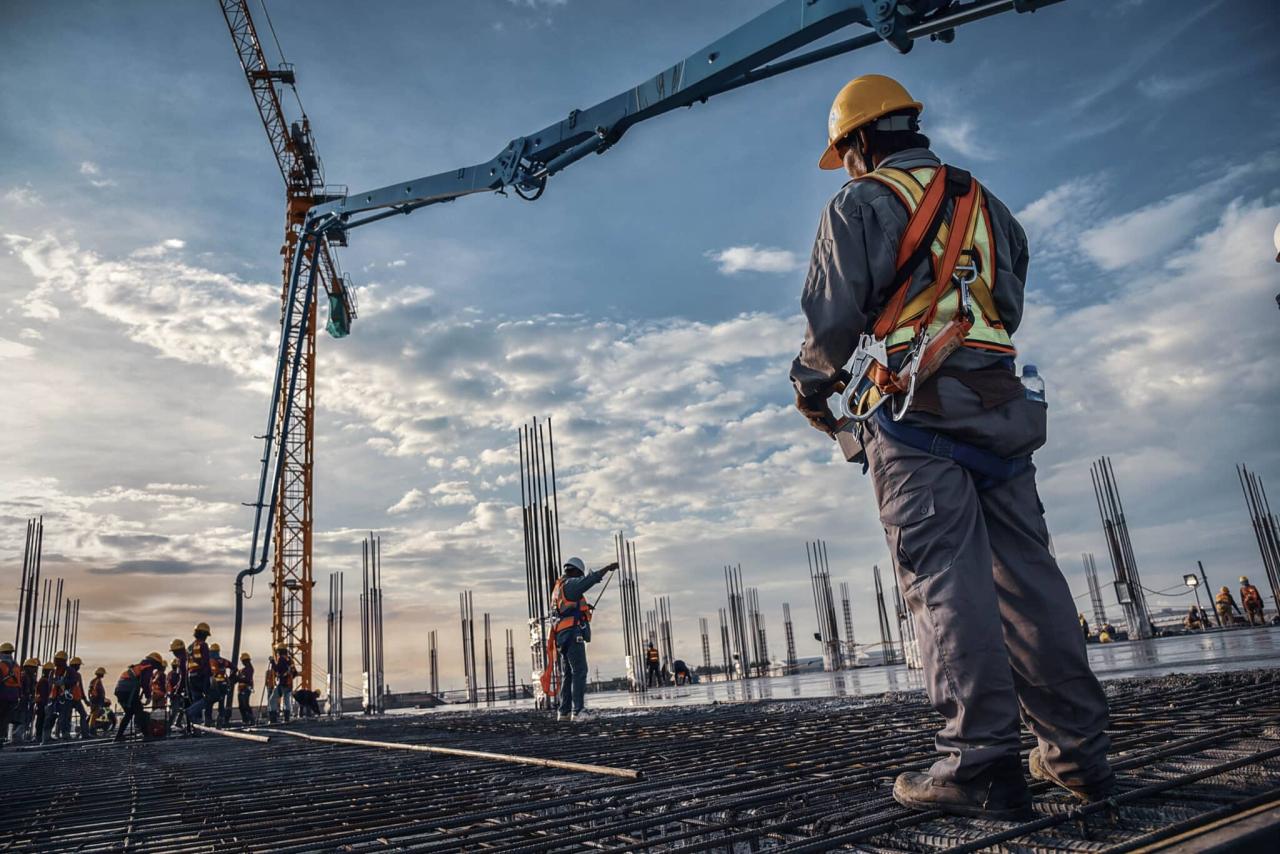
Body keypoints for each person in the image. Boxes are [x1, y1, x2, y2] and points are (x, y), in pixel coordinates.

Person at [790, 75, 1113, 818]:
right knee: (1030, 582)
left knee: (944, 583)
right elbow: (1010, 305)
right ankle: (1081, 758)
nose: (845, 167)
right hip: (999, 405)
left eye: (844, 153)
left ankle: (981, 766)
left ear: (861, 140)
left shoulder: (861, 203)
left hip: (915, 414)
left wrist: (809, 387)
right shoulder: (990, 207)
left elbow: (833, 320)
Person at [550, 557, 617, 722]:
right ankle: (578, 711)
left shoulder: (558, 588)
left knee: (568, 674)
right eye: (579, 574)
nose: (579, 578)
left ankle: (564, 712)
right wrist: (607, 567)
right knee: (580, 671)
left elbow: (566, 609)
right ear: (574, 571)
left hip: (561, 636)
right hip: (572, 634)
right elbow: (589, 581)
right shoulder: (571, 584)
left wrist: (583, 610)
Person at [114, 652, 164, 742]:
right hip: (127, 691)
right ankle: (147, 735)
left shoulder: (140, 666)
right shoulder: (148, 666)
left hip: (120, 690)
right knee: (139, 711)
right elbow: (145, 683)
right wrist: (148, 696)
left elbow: (139, 683)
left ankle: (119, 736)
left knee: (129, 714)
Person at [185, 623, 214, 726]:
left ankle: (197, 726)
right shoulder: (203, 645)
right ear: (203, 634)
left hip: (191, 676)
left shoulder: (190, 647)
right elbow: (205, 663)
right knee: (210, 697)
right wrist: (209, 677)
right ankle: (190, 711)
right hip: (201, 675)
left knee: (197, 699)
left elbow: (187, 664)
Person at [268, 643, 296, 724]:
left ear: (279, 651)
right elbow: (295, 673)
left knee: (272, 700)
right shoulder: (290, 659)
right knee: (286, 701)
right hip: (289, 684)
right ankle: (287, 719)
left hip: (282, 684)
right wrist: (288, 677)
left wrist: (272, 661)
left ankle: (273, 719)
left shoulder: (281, 659)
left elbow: (277, 669)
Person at [0, 642, 19, 748]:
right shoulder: (16, 666)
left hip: (3, 695)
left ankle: (0, 739)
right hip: (14, 696)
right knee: (6, 719)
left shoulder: (1, 665)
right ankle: (2, 739)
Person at [209, 643, 232, 726]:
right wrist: (230, 678)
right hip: (223, 685)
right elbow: (234, 667)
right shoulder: (223, 661)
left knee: (210, 702)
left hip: (214, 686)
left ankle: (209, 721)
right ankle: (220, 721)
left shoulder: (210, 661)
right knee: (221, 703)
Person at [88, 666, 109, 735]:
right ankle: (91, 730)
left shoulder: (95, 681)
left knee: (94, 715)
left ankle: (92, 729)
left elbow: (90, 691)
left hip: (95, 700)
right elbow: (98, 692)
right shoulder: (97, 681)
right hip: (96, 700)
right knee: (94, 716)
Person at [236, 652, 256, 725]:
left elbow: (247, 679)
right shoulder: (242, 670)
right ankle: (245, 720)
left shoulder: (249, 669)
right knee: (241, 705)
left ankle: (250, 719)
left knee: (245, 704)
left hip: (246, 689)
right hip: (241, 689)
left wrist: (238, 678)